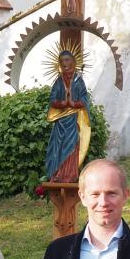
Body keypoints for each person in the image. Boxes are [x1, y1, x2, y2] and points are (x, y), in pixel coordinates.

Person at [45, 50, 91, 183]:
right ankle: (57, 174)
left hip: (73, 120)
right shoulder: (59, 82)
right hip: (60, 121)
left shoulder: (78, 80)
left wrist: (74, 103)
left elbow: (84, 99)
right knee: (58, 146)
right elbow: (52, 98)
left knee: (71, 145)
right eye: (62, 61)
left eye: (67, 60)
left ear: (73, 62)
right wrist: (62, 103)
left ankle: (70, 175)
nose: (64, 63)